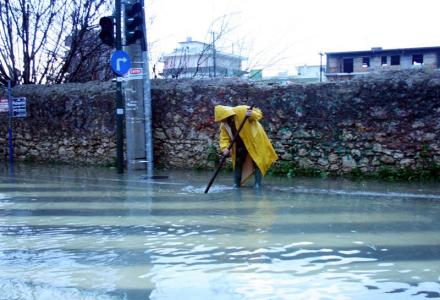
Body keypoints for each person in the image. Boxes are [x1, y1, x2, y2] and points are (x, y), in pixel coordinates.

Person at [214, 105, 278, 188]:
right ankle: (236, 184)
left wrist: (250, 114)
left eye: (222, 118)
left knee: (257, 161)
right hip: (240, 144)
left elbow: (258, 115)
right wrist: (225, 148)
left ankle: (257, 184)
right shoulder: (224, 124)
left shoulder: (241, 110)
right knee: (238, 161)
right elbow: (224, 138)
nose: (221, 121)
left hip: (254, 140)